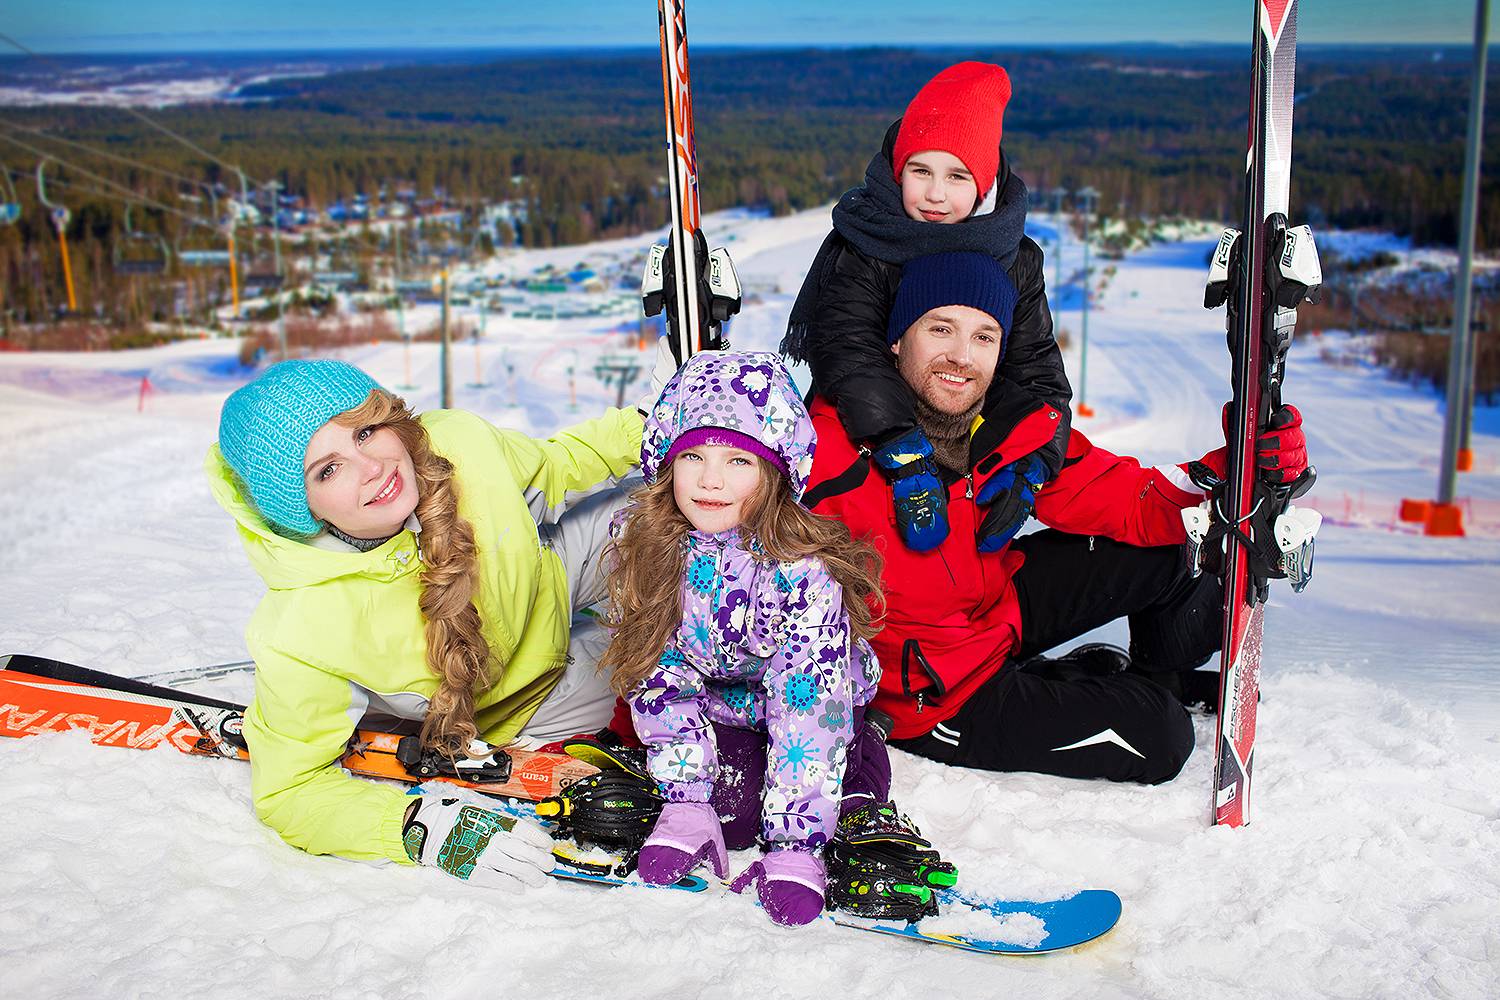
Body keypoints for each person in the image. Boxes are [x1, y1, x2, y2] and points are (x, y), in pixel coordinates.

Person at [801, 252, 1312, 785]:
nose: (961, 357)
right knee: (1162, 737)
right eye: (941, 329)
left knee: (1177, 545)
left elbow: (1131, 499)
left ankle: (1162, 675)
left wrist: (1237, 468)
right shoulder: (829, 449)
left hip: (994, 611)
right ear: (898, 339)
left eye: (984, 336)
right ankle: (1091, 687)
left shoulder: (1002, 428)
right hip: (934, 695)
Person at [208, 351, 672, 887]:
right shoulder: (302, 625)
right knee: (635, 704)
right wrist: (416, 829)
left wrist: (656, 422)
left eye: (363, 432)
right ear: (301, 505)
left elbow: (560, 463)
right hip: (522, 707)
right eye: (328, 469)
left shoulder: (459, 442)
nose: (372, 470)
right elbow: (290, 793)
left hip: (550, 583)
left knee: (667, 511)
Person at [599, 350, 896, 927]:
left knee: (820, 792)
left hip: (816, 708)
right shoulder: (646, 548)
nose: (711, 480)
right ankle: (704, 807)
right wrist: (685, 798)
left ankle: (856, 770)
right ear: (665, 461)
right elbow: (656, 673)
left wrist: (795, 844)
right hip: (729, 705)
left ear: (777, 472)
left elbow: (807, 701)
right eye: (693, 456)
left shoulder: (803, 570)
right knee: (732, 817)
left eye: (739, 460)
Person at [783, 60, 1072, 557]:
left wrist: (1034, 463)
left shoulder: (1015, 257)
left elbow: (1036, 369)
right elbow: (848, 350)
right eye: (920, 171)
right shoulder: (867, 242)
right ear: (899, 172)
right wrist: (902, 450)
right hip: (868, 431)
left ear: (984, 184)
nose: (935, 195)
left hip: (963, 425)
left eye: (957, 176)